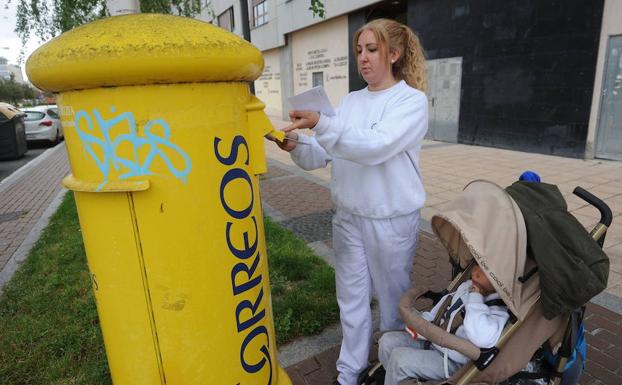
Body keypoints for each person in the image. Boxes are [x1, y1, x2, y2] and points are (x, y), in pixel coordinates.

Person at [273, 18, 428, 385]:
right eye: (359, 50)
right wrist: (297, 145)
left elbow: (375, 146)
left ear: (394, 53)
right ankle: (350, 371)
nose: (363, 58)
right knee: (352, 300)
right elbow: (328, 152)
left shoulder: (410, 101)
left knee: (393, 304)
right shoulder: (352, 101)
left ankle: (393, 367)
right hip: (349, 217)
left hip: (390, 219)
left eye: (371, 50)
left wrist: (323, 126)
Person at [378, 265, 510, 385]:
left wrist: (476, 297)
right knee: (386, 342)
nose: (476, 272)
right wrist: (423, 323)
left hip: (454, 362)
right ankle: (393, 379)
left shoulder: (498, 311)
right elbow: (443, 309)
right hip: (435, 342)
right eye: (478, 266)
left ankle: (397, 376)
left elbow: (481, 338)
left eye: (484, 270)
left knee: (398, 360)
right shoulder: (466, 286)